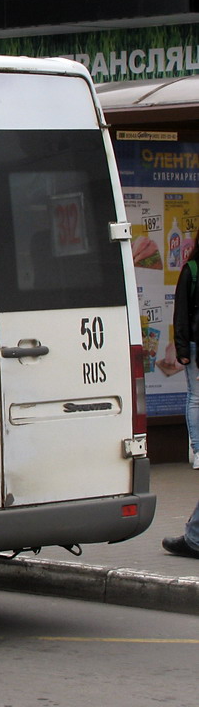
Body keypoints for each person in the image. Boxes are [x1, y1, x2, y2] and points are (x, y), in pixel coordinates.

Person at [165, 233, 199, 558]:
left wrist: (184, 347)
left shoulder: (191, 269)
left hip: (195, 344)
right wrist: (183, 347)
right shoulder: (192, 270)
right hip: (196, 345)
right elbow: (183, 311)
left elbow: (182, 310)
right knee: (196, 397)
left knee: (196, 396)